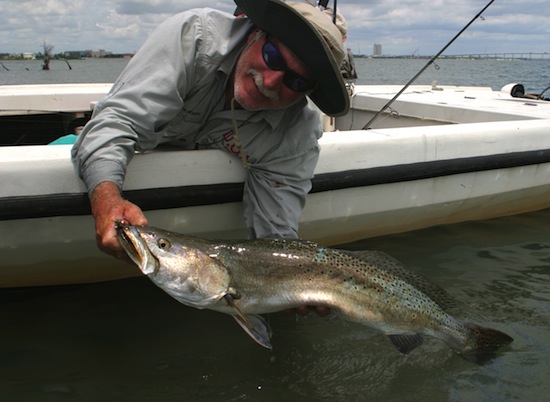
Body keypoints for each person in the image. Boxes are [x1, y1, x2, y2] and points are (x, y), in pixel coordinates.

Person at [72, 0, 349, 263]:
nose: (270, 80)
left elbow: (275, 235)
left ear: (308, 93)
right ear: (255, 33)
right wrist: (106, 199)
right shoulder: (194, 38)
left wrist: (296, 282)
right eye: (273, 56)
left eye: (297, 81)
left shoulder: (295, 132)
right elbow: (117, 121)